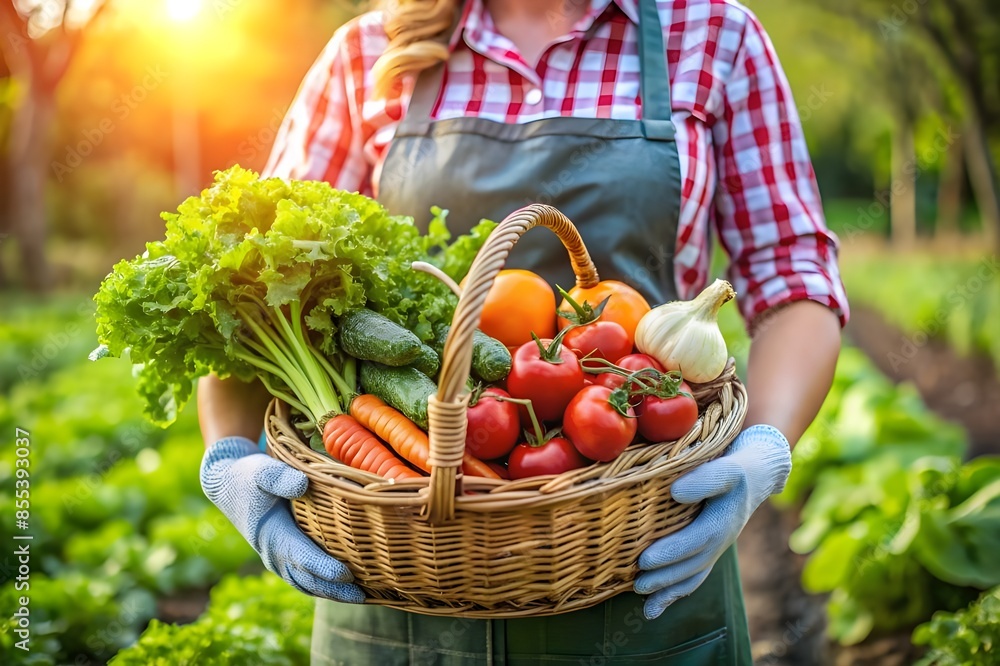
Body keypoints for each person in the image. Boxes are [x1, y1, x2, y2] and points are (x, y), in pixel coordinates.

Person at [197, 0, 849, 663]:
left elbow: (794, 280)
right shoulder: (367, 52)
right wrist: (228, 462)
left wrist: (762, 451)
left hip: (643, 547)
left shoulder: (713, 35)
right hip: (398, 580)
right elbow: (257, 278)